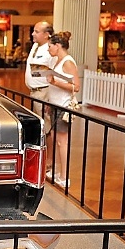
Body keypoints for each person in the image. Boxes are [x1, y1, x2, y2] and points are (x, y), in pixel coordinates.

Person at [45, 31, 80, 188]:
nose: (48, 49)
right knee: (56, 140)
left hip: (63, 106)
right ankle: (57, 171)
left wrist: (55, 83)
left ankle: (65, 177)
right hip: (54, 104)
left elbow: (76, 87)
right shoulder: (56, 61)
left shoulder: (67, 62)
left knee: (62, 142)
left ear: (57, 46)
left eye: (50, 46)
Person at [25, 21, 56, 132]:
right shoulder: (35, 46)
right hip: (34, 93)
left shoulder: (51, 50)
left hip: (44, 93)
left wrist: (50, 98)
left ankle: (50, 149)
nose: (33, 34)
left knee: (47, 128)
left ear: (46, 34)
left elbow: (54, 74)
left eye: (36, 32)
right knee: (39, 126)